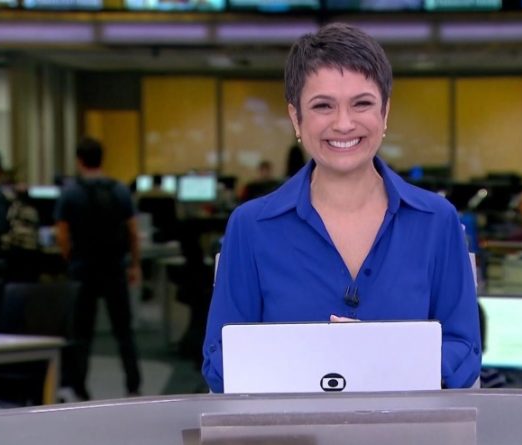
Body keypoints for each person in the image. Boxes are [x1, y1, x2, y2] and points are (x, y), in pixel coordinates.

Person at [202, 23, 481, 393]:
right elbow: (220, 361)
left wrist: (377, 356)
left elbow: (464, 352)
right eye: (323, 106)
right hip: (288, 424)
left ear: (385, 113)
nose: (344, 123)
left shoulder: (437, 220)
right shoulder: (251, 226)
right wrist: (328, 359)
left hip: (407, 422)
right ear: (296, 118)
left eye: (362, 103)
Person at [55, 137, 142, 400]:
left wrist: (69, 259)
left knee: (82, 333)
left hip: (83, 268)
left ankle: (80, 387)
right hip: (114, 267)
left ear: (79, 160)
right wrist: (135, 264)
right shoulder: (120, 190)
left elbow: (62, 234)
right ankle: (133, 384)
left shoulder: (70, 192)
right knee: (124, 331)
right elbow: (133, 232)